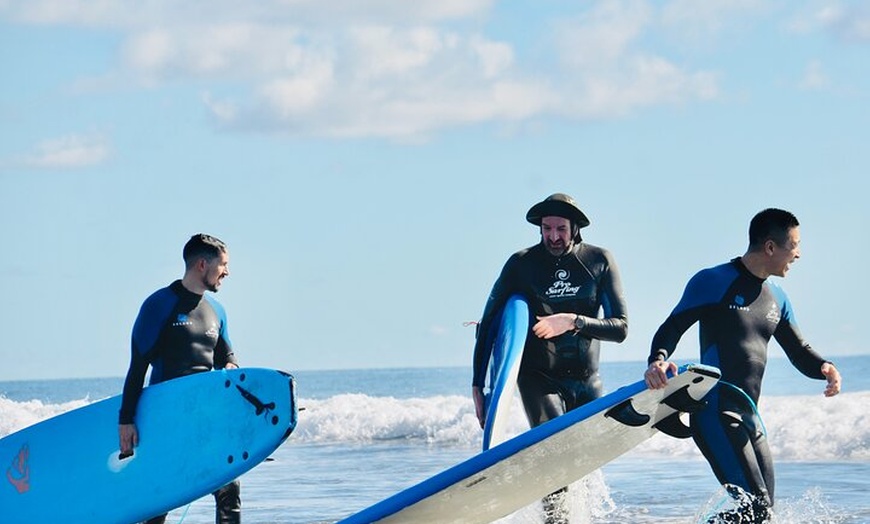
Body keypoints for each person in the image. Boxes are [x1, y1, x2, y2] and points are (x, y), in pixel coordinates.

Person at [644, 208, 842, 523]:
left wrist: (824, 367)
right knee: (757, 511)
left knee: (764, 515)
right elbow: (672, 327)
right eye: (795, 245)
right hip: (714, 412)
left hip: (751, 417)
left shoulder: (777, 297)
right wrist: (657, 361)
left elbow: (798, 350)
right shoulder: (713, 281)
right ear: (770, 247)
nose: (799, 254)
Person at [471, 193, 629, 523]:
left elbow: (620, 328)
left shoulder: (599, 261)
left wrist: (573, 321)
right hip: (538, 378)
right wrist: (479, 386)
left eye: (560, 229)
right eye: (546, 228)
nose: (553, 237)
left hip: (587, 380)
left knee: (582, 465)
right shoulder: (522, 264)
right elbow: (489, 325)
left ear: (575, 229)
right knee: (553, 455)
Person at [118, 233, 242, 524]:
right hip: (165, 417)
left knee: (229, 487)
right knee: (162, 495)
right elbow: (138, 366)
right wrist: (126, 419)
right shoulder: (158, 305)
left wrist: (231, 366)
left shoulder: (216, 311)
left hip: (205, 416)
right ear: (202, 264)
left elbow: (228, 357)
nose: (227, 272)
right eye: (223, 264)